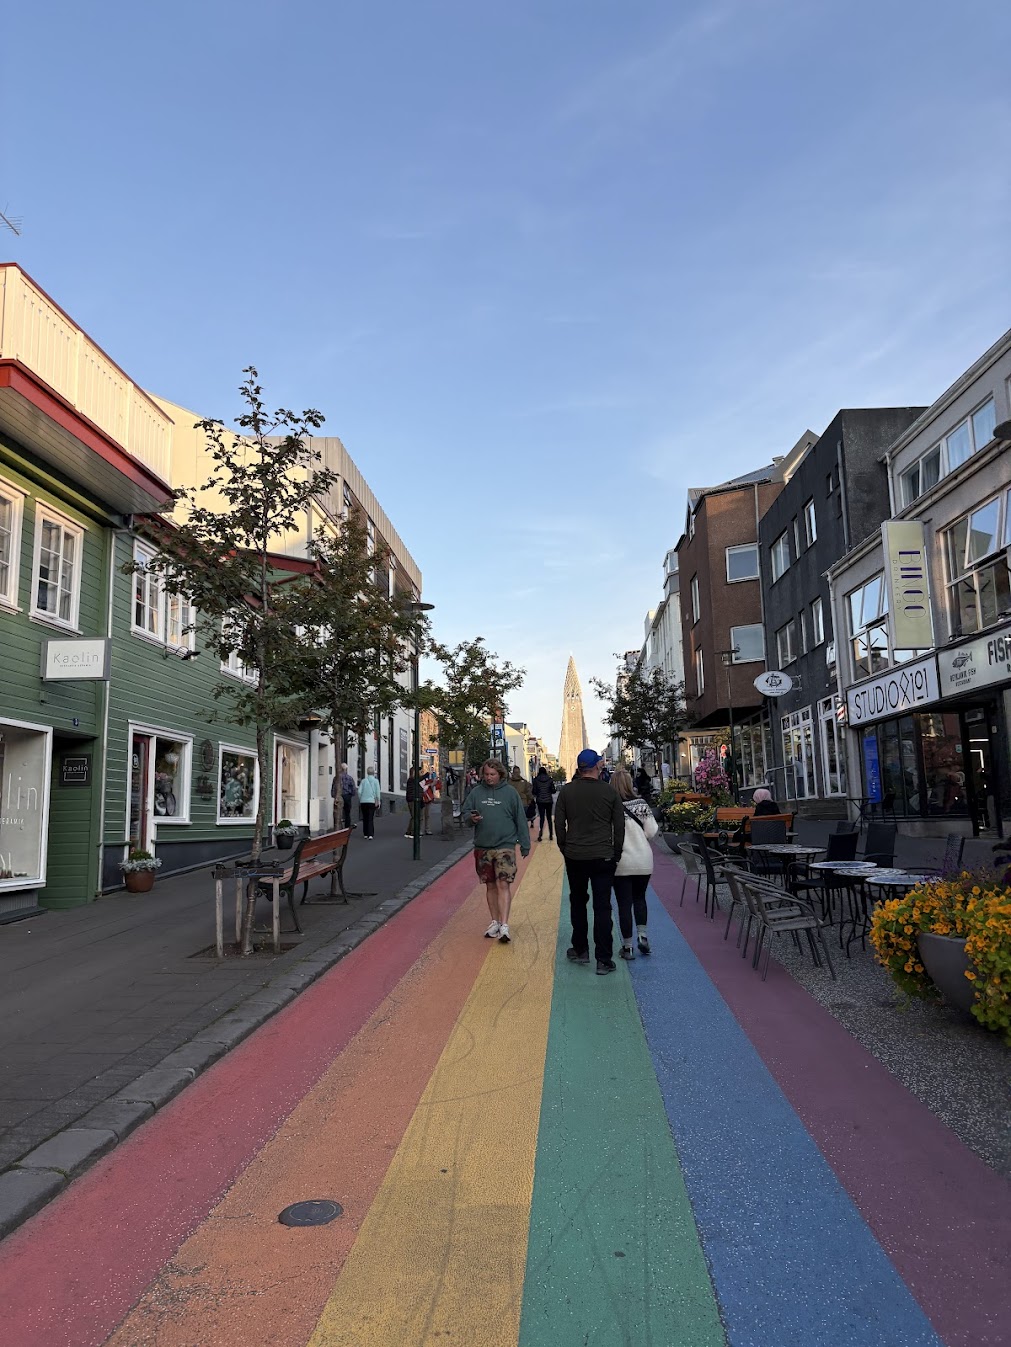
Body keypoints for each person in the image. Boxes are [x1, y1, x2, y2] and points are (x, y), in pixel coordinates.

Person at [555, 748, 625, 975]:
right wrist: (615, 853)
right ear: (596, 766)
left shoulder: (567, 792)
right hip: (603, 856)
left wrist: (565, 847)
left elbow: (559, 824)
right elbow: (619, 827)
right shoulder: (610, 792)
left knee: (577, 902)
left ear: (579, 768)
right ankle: (603, 959)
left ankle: (580, 949)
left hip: (575, 855)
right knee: (602, 906)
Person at [460, 758, 530, 943]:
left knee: (503, 884)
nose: (489, 778)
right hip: (483, 846)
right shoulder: (476, 793)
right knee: (490, 885)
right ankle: (495, 922)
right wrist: (471, 819)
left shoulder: (510, 793)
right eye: (486, 774)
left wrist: (524, 843)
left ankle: (505, 925)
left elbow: (520, 819)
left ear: (500, 774)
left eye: (493, 774)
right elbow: (465, 813)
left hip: (505, 845)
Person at [610, 768, 658, 959]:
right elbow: (652, 831)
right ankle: (643, 936)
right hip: (643, 859)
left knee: (623, 904)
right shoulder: (641, 804)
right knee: (640, 898)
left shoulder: (609, 805)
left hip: (621, 861)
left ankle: (627, 947)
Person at [531, 766, 556, 841]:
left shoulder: (536, 780)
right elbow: (553, 790)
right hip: (549, 801)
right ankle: (551, 834)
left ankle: (540, 834)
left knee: (542, 818)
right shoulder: (550, 780)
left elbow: (534, 791)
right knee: (549, 818)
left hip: (540, 801)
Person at [357, 766, 381, 839]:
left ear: (367, 773)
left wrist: (361, 798)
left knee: (365, 818)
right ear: (373, 773)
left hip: (363, 802)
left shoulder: (363, 781)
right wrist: (378, 801)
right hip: (371, 802)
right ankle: (370, 834)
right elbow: (377, 792)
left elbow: (359, 791)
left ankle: (365, 834)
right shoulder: (376, 781)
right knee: (370, 818)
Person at [332, 762, 357, 829]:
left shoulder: (336, 778)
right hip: (347, 796)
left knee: (338, 813)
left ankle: (338, 827)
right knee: (347, 813)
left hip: (339, 796)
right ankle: (347, 827)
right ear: (346, 769)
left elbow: (334, 787)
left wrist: (334, 796)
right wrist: (351, 795)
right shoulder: (349, 778)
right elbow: (353, 789)